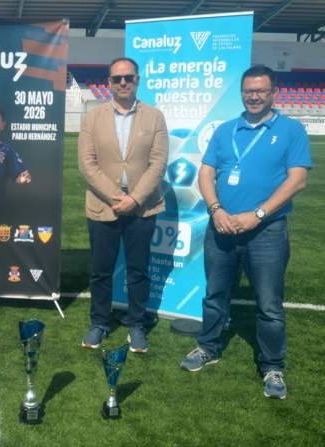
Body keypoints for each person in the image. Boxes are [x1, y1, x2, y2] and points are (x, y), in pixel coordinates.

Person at [181, 65, 311, 400]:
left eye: (261, 91)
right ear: (242, 93)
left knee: (268, 303)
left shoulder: (291, 130)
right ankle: (208, 347)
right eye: (249, 91)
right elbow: (206, 173)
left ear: (273, 93)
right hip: (222, 226)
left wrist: (258, 215)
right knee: (215, 294)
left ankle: (272, 365)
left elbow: (297, 179)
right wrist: (216, 210)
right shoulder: (226, 130)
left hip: (267, 231)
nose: (254, 97)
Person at [78, 57, 168, 353]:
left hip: (143, 206)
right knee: (101, 271)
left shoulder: (154, 116)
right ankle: (99, 322)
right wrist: (118, 197)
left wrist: (135, 198)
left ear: (137, 80)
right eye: (117, 78)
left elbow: (158, 163)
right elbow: (87, 164)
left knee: (138, 271)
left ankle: (136, 325)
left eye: (128, 77)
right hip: (103, 205)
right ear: (109, 83)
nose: (123, 83)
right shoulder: (93, 117)